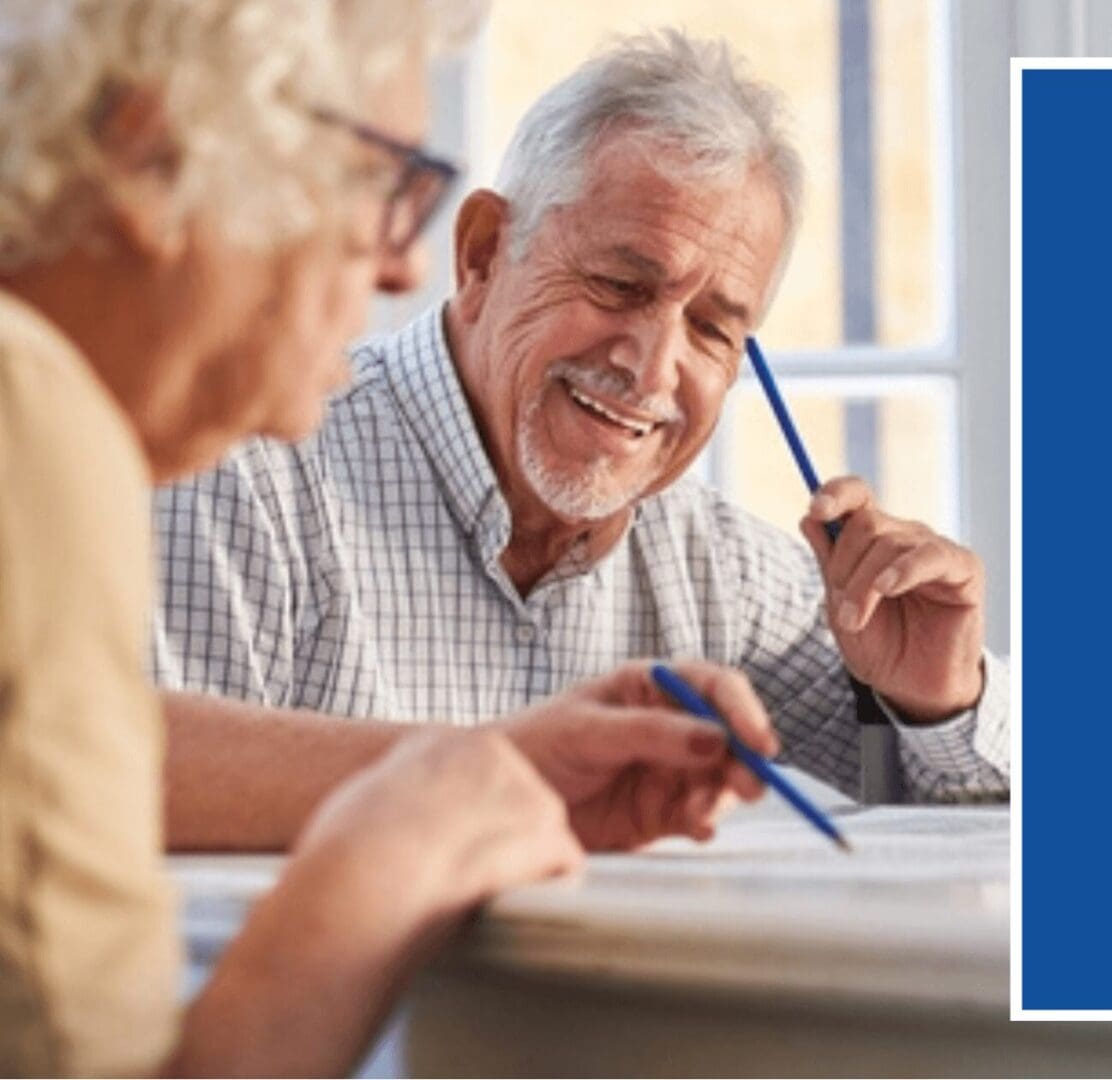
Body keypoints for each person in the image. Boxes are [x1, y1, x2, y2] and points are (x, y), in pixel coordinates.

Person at [0, 3, 772, 1074]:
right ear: (151, 154)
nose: (401, 270)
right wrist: (385, 867)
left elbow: (77, 755)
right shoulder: (29, 419)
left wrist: (481, 765)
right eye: (381, 182)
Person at [151, 28, 1011, 846]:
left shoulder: (720, 568)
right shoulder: (246, 481)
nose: (652, 368)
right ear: (484, 252)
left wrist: (940, 701)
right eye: (617, 285)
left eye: (713, 329)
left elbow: (1017, 808)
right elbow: (132, 835)